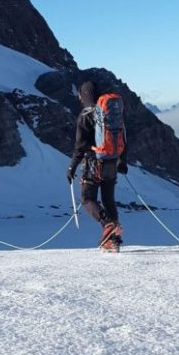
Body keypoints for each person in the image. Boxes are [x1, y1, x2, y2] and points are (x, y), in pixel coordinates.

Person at [67, 80, 128, 251]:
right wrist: (122, 160)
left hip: (92, 164)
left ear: (85, 95)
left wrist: (72, 167)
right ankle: (113, 239)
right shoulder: (111, 113)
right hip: (111, 162)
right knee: (108, 199)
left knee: (88, 199)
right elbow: (123, 137)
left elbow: (80, 146)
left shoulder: (85, 115)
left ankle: (108, 225)